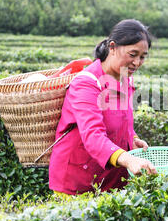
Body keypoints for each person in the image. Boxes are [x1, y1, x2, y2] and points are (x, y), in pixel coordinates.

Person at [49, 19, 157, 196]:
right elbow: (93, 135)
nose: (137, 63)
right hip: (77, 181)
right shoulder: (86, 83)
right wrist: (128, 159)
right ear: (112, 47)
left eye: (142, 57)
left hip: (111, 179)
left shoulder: (125, 79)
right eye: (132, 54)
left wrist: (133, 138)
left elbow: (122, 120)